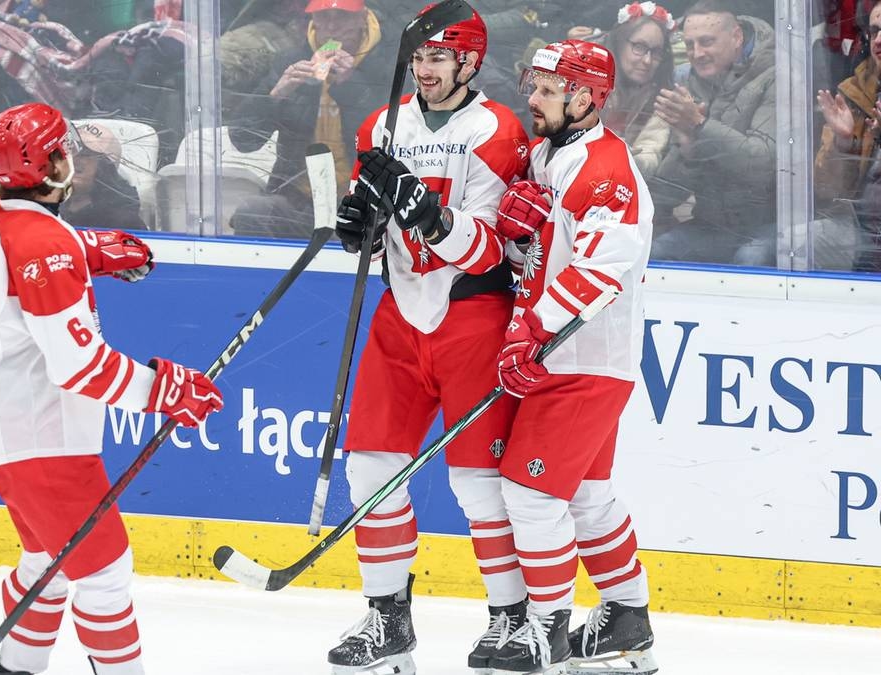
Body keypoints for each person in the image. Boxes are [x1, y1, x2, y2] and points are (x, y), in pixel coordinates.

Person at [0, 102, 224, 675]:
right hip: (40, 436)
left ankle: (16, 667)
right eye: (63, 151)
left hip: (1, 425)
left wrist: (87, 251)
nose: (71, 157)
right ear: (48, 169)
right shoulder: (42, 248)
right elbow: (80, 367)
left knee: (48, 560)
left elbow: (31, 250)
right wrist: (166, 389)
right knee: (103, 574)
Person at [327, 6, 533, 674]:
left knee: (479, 482)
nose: (425, 70)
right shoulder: (381, 126)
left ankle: (512, 618)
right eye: (419, 59)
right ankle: (387, 615)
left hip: (473, 318)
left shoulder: (497, 130)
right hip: (400, 315)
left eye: (440, 58)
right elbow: (370, 219)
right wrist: (357, 225)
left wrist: (432, 216)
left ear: (470, 62)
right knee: (370, 466)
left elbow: (486, 249)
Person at [482, 39, 657, 675]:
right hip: (567, 356)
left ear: (586, 97)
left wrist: (532, 330)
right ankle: (627, 618)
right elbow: (540, 256)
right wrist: (514, 235)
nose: (531, 98)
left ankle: (545, 631)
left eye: (548, 91)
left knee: (529, 496)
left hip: (582, 361)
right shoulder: (550, 157)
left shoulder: (604, 167)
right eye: (535, 86)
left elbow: (602, 269)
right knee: (587, 497)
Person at [225, 0, 394, 237]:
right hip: (300, 198)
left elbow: (392, 140)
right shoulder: (292, 59)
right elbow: (242, 140)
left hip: (363, 201)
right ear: (311, 19)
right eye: (323, 16)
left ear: (362, 18)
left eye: (342, 16)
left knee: (349, 234)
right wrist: (275, 96)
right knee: (252, 213)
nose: (332, 27)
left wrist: (351, 86)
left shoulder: (389, 62)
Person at [649, 0, 776, 266]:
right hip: (712, 224)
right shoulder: (688, 82)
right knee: (656, 252)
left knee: (751, 259)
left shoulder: (777, 73)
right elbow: (670, 194)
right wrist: (686, 150)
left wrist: (700, 125)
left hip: (771, 224)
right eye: (689, 44)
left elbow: (762, 162)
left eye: (707, 42)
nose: (697, 53)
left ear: (737, 37)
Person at [568, 2, 676, 177]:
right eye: (639, 47)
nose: (647, 61)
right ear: (619, 44)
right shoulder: (588, 78)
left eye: (656, 52)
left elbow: (652, 152)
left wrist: (630, 160)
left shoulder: (661, 99)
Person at [814, 1, 881, 271]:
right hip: (860, 230)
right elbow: (827, 191)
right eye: (874, 31)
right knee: (803, 240)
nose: (879, 40)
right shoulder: (852, 92)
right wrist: (843, 145)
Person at [60, 121, 147, 230]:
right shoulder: (48, 207)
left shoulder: (123, 223)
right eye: (72, 150)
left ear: (106, 170)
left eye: (87, 154)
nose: (76, 159)